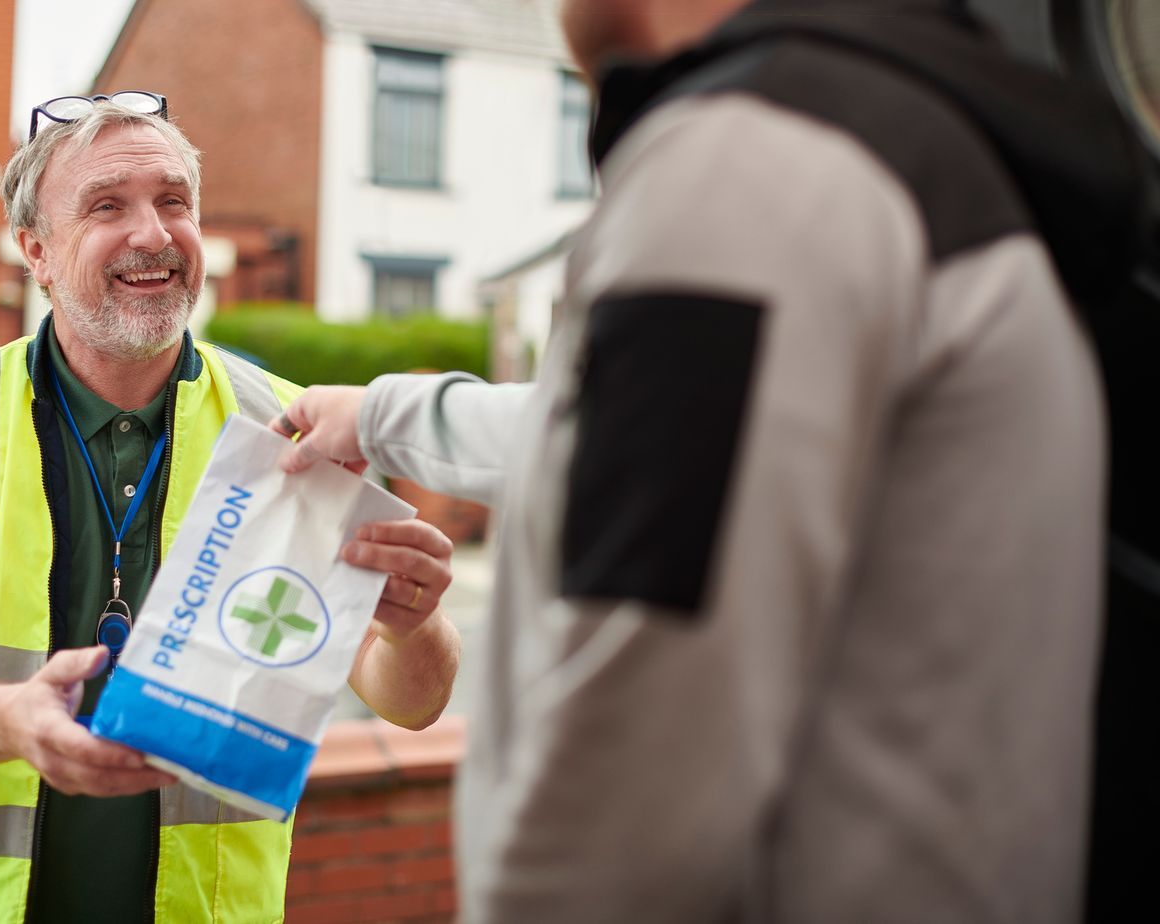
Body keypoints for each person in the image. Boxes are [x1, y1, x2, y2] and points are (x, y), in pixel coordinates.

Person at [275, 0, 1138, 919]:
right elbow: (609, 439)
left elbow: (630, 784)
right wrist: (380, 416)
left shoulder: (748, 169)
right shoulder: (889, 146)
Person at [0, 93, 462, 923]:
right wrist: (9, 719)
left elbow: (409, 702)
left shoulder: (288, 426)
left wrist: (415, 624)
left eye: (174, 201)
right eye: (107, 206)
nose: (154, 234)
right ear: (36, 251)